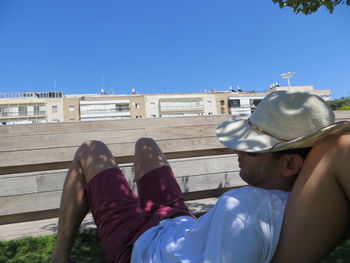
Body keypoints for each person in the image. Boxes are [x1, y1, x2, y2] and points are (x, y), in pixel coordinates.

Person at [51, 91, 350, 263]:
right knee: (146, 146)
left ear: (289, 165)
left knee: (91, 149)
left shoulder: (245, 209)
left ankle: (59, 258)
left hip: (140, 247)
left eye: (251, 149)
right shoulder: (308, 208)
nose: (238, 151)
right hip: (179, 224)